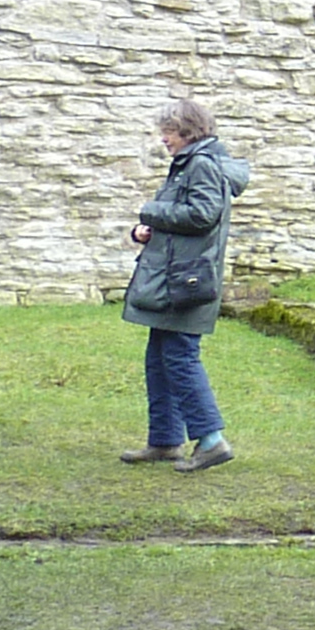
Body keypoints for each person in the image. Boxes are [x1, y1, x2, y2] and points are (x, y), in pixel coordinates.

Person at [120, 96, 248, 471]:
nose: (164, 139)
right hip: (174, 276)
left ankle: (211, 441)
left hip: (187, 281)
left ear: (189, 132)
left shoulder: (202, 165)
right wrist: (147, 230)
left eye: (170, 132)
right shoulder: (189, 164)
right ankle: (165, 440)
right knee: (160, 358)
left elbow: (203, 215)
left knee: (179, 357)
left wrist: (151, 211)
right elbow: (185, 219)